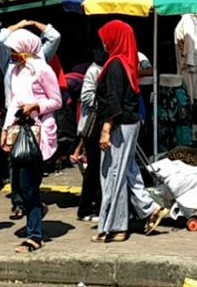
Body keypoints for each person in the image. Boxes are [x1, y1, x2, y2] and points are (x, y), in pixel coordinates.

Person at [93, 20, 168, 243]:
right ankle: (149, 209)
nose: (104, 44)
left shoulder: (115, 64)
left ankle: (116, 227)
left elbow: (114, 102)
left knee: (113, 174)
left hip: (120, 125)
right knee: (129, 171)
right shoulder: (126, 62)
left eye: (107, 39)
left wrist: (106, 130)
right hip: (129, 123)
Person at [0, 29, 62, 253]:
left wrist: (36, 106)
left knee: (28, 185)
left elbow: (56, 100)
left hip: (39, 133)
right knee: (20, 184)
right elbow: (14, 102)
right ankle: (35, 214)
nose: (12, 54)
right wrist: (5, 130)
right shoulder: (16, 71)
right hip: (20, 132)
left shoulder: (43, 70)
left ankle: (34, 235)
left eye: (14, 50)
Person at [74, 48, 107, 222]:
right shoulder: (94, 71)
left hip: (96, 127)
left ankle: (94, 205)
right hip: (92, 127)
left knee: (97, 168)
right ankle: (85, 209)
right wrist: (105, 102)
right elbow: (86, 96)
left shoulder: (100, 69)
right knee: (93, 169)